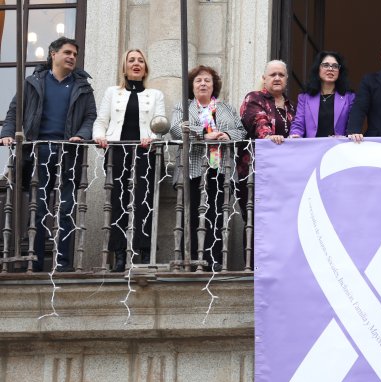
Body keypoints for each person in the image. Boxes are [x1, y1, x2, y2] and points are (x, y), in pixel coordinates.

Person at [0, 37, 96, 273]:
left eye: (74, 53)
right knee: (39, 208)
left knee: (65, 208)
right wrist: (7, 133)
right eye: (67, 52)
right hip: (38, 153)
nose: (72, 57)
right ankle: (36, 261)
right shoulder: (33, 82)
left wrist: (82, 135)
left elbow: (90, 117)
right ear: (53, 54)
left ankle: (62, 264)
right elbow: (15, 111)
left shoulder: (82, 87)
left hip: (68, 154)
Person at [93, 49, 166, 272]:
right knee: (118, 202)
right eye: (131, 60)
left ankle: (142, 252)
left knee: (144, 202)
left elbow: (161, 125)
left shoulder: (155, 95)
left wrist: (152, 137)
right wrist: (99, 136)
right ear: (124, 67)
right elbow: (101, 121)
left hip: (144, 152)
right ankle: (120, 254)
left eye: (140, 61)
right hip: (117, 152)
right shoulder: (112, 92)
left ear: (146, 68)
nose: (136, 64)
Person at [169, 65, 246, 272]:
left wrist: (227, 136)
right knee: (192, 214)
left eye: (207, 80)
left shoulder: (226, 108)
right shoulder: (183, 107)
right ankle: (192, 260)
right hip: (193, 169)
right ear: (192, 86)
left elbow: (241, 131)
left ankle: (214, 259)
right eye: (198, 80)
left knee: (217, 215)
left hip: (219, 170)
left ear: (214, 86)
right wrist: (204, 133)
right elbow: (177, 129)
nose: (203, 83)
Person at [237, 60, 296, 222]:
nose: (277, 78)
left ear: (286, 79)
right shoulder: (254, 98)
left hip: (283, 174)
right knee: (256, 224)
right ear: (264, 78)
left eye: (281, 75)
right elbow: (258, 121)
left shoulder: (291, 107)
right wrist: (269, 136)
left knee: (280, 223)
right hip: (255, 173)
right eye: (273, 74)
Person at [289, 51, 356, 138]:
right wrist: (295, 135)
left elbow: (352, 126)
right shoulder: (305, 97)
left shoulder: (349, 97)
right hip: (312, 148)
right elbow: (298, 123)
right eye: (326, 65)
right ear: (318, 69)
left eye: (335, 66)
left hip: (338, 148)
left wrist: (348, 136)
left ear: (339, 71)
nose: (330, 69)